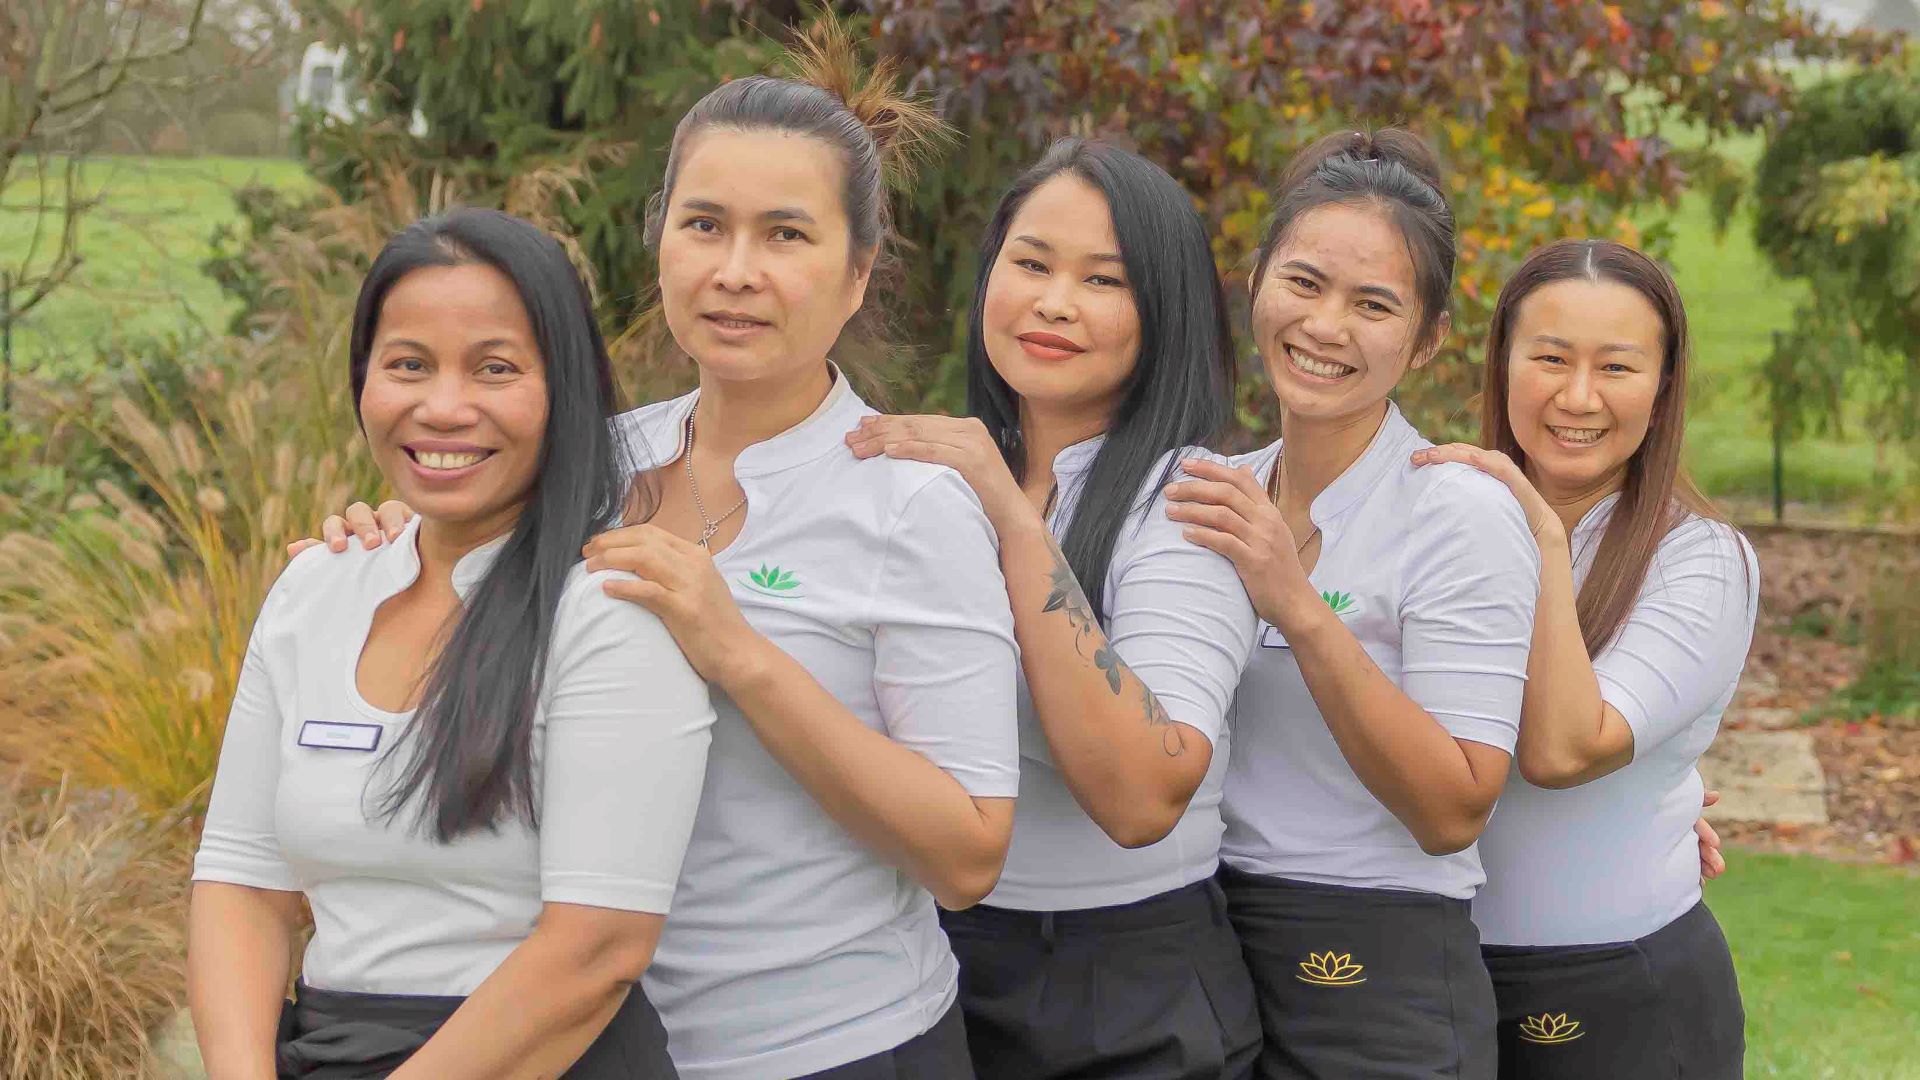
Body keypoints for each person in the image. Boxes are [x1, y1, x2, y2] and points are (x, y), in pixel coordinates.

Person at [295, 24, 1021, 1080]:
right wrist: (376, 550)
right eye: (705, 226)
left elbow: (969, 855)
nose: (736, 272)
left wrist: (743, 656)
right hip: (582, 1043)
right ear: (659, 239)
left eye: (785, 236)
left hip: (829, 1052)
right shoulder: (586, 461)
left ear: (858, 273)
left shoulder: (910, 505)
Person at [189, 208, 715, 1079]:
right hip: (325, 1048)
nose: (442, 407)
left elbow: (596, 950)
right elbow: (243, 884)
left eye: (495, 368)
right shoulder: (314, 590)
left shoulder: (612, 611)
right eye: (407, 365)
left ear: (564, 389)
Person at [847, 139, 1260, 1078]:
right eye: (1030, 263)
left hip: (1126, 991)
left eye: (1103, 280)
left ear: (1165, 312)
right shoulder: (937, 475)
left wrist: (1011, 514)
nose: (1054, 301)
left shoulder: (1188, 500)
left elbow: (1144, 793)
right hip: (931, 961)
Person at [1164, 129, 1538, 1079]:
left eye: (1373, 305)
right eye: (1304, 283)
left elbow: (1454, 807)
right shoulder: (1218, 492)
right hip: (1205, 940)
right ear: (1255, 282)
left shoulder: (1456, 510)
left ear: (1429, 338)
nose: (1325, 327)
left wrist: (1299, 607)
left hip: (1378, 965)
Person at [1413, 239, 1755, 1079]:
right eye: (1551, 358)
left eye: (1618, 367)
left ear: (1665, 383)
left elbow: (1564, 749)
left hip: (1614, 995)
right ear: (1501, 364)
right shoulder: (1431, 516)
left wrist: (1539, 535)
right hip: (1427, 982)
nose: (1578, 397)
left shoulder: (1701, 559)